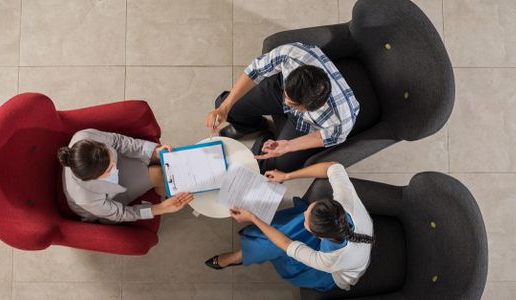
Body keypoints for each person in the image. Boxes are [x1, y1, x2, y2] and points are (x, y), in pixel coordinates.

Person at [205, 162, 374, 292]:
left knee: (277, 243)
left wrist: (253, 217)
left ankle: (240, 254)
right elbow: (333, 166)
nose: (305, 214)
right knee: (286, 230)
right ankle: (245, 251)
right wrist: (287, 176)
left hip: (330, 274)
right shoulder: (346, 201)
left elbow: (285, 244)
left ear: (319, 235)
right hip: (339, 243)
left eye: (307, 220)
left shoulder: (330, 260)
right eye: (309, 210)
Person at [206, 42, 359, 173]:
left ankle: (265, 136)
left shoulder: (341, 121)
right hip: (280, 86)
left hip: (309, 124)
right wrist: (224, 108)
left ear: (313, 107)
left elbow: (325, 137)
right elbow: (255, 71)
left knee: (277, 164)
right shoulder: (293, 54)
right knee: (226, 104)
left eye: (291, 104)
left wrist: (288, 145)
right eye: (287, 97)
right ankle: (251, 126)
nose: (285, 103)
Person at [57, 128, 193, 224]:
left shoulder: (84, 136)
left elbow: (118, 142)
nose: (114, 164)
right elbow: (120, 214)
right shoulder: (86, 197)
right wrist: (159, 209)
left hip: (102, 170)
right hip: (107, 203)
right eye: (110, 168)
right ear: (95, 178)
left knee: (164, 155)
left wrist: (154, 151)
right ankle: (171, 192)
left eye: (111, 156)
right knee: (159, 174)